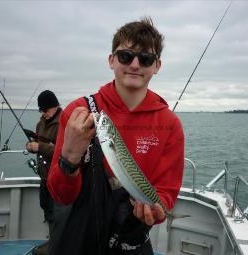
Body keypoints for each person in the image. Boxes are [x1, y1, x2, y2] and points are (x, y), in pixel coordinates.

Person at [47, 17, 184, 255]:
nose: (134, 64)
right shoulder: (78, 112)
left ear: (157, 66)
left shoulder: (169, 124)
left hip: (132, 241)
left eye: (145, 58)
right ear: (111, 60)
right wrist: (69, 158)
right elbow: (60, 195)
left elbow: (165, 194)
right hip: (80, 241)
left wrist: (158, 209)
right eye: (125, 56)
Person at [26, 90, 62, 255]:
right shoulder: (40, 123)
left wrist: (40, 147)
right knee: (47, 208)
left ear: (55, 107)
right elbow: (37, 143)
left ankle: (57, 245)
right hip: (44, 176)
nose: (44, 113)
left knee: (59, 212)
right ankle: (53, 242)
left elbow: (64, 150)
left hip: (59, 177)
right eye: (41, 111)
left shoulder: (64, 122)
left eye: (46, 110)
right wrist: (31, 146)